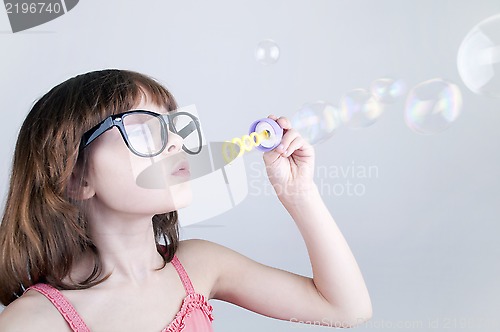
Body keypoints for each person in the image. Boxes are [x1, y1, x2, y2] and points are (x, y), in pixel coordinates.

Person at [0, 69, 372, 331]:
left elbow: (345, 309)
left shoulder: (200, 265)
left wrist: (299, 194)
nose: (176, 142)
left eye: (173, 126)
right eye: (145, 130)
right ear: (77, 178)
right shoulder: (34, 321)